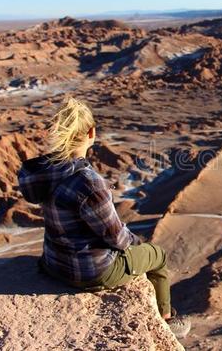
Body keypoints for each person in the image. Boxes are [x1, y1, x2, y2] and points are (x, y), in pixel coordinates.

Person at [17, 97, 190, 339]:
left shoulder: (43, 172)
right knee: (157, 256)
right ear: (91, 133)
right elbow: (117, 239)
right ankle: (166, 320)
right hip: (90, 273)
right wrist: (138, 243)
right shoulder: (88, 182)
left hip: (54, 263)